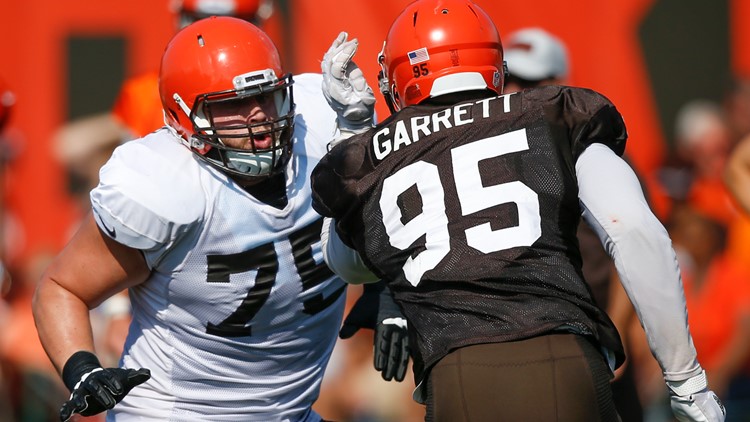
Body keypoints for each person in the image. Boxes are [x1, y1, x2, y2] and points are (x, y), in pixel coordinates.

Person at [310, 0, 726, 420]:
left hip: (459, 374)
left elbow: (347, 265)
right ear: (494, 63)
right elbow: (636, 231)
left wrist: (352, 127)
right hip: (565, 356)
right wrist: (686, 379)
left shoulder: (376, 156)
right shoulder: (553, 116)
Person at [32, 16, 406, 421]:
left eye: (265, 96)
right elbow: (61, 288)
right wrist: (83, 370)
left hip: (292, 411)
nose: (259, 118)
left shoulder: (320, 124)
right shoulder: (168, 186)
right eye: (232, 105)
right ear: (183, 118)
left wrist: (387, 284)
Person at [503, 26, 645, 422]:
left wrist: (615, 333)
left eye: (531, 81)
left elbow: (634, 250)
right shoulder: (487, 157)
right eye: (509, 77)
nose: (517, 89)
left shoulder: (596, 155)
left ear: (560, 85)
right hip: (523, 347)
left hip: (595, 338)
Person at [112, 0, 278, 139]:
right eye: (200, 21)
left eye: (236, 20)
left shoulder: (278, 89)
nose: (219, 35)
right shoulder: (144, 93)